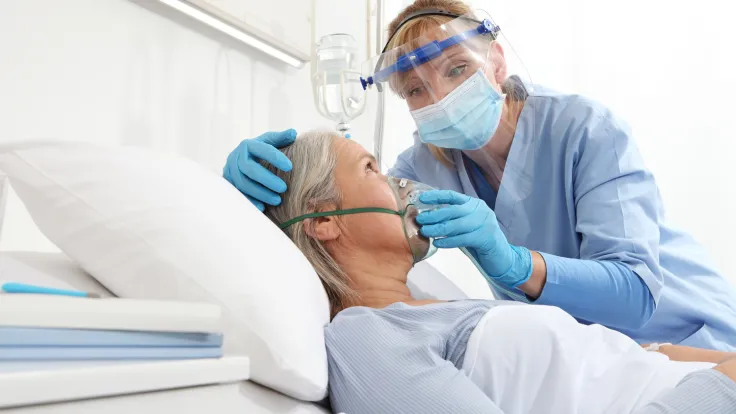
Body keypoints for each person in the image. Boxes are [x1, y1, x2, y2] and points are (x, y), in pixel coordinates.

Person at [223, 0, 736, 351]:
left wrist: (513, 265)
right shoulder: (424, 164)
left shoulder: (584, 129)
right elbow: (347, 214)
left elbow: (635, 292)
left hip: (692, 338)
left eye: (455, 69)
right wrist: (247, 201)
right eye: (415, 90)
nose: (438, 97)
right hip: (600, 363)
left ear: (495, 61)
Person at [260, 129, 736, 414]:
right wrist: (722, 389)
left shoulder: (439, 307)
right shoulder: (364, 336)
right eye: (371, 169)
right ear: (322, 219)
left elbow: (619, 361)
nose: (401, 183)